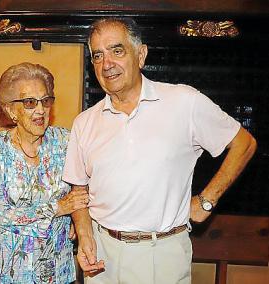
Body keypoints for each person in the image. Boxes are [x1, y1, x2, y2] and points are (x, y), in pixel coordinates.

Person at [63, 18, 257, 283]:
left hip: (161, 255)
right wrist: (84, 234)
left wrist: (206, 200)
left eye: (116, 51)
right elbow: (78, 191)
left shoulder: (184, 102)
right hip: (102, 258)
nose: (106, 64)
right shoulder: (84, 122)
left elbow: (244, 143)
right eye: (98, 55)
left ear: (140, 55)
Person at [0, 62, 89, 283]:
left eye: (46, 100)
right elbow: (0, 214)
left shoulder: (65, 142)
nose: (40, 109)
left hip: (58, 268)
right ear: (11, 110)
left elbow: (84, 188)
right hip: (10, 271)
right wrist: (58, 208)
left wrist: (78, 222)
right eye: (30, 102)